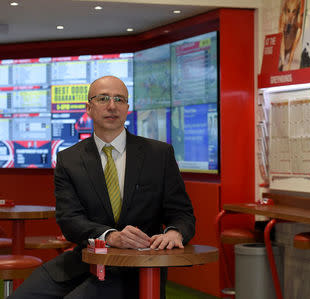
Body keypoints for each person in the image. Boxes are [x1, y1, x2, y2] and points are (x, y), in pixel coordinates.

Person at [10, 75, 195, 299]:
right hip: (84, 261)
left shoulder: (159, 154)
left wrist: (175, 232)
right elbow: (70, 220)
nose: (111, 106)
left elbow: (182, 213)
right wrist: (109, 236)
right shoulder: (69, 160)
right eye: (103, 98)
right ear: (88, 107)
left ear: (127, 108)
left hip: (137, 267)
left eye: (119, 99)